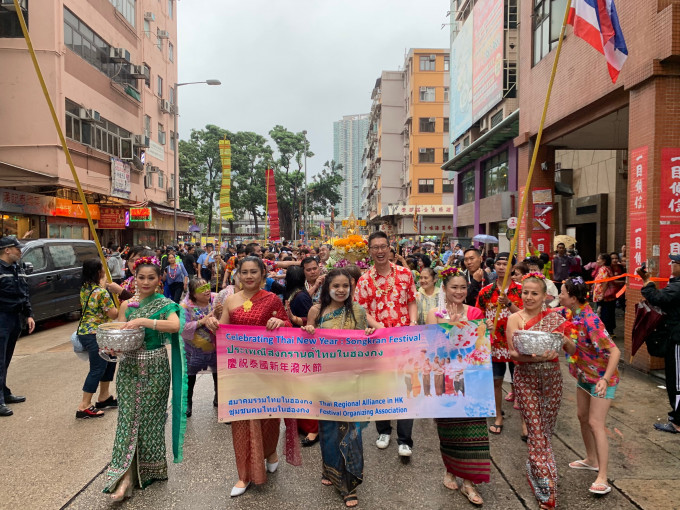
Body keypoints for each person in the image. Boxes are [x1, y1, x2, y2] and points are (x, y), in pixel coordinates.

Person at [103, 256, 186, 502]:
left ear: (160, 280)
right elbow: (119, 331)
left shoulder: (165, 303)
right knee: (127, 421)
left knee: (150, 420)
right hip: (128, 367)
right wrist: (113, 346)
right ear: (134, 278)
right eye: (141, 277)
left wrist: (143, 321)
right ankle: (124, 477)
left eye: (151, 277)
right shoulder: (127, 305)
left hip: (156, 366)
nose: (146, 282)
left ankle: (149, 469)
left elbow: (174, 326)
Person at [219, 256, 301, 497]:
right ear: (238, 275)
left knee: (269, 418)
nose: (249, 276)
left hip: (267, 371)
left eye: (254, 272)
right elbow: (223, 331)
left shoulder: (272, 299)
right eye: (244, 272)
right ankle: (244, 474)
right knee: (242, 421)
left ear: (263, 274)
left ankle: (270, 452)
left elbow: (287, 326)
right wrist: (211, 325)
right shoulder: (230, 300)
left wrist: (280, 322)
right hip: (240, 372)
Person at [302, 269, 380, 508]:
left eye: (345, 285)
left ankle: (349, 484)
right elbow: (307, 345)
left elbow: (378, 333)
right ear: (327, 288)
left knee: (351, 430)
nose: (341, 290)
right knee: (329, 429)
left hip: (351, 379)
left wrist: (369, 332)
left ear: (351, 287)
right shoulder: (316, 311)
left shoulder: (358, 311)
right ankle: (330, 470)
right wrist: (308, 332)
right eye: (335, 285)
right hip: (326, 379)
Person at [506, 272, 576, 509]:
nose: (528, 297)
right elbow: (512, 354)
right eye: (525, 292)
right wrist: (532, 359)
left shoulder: (556, 318)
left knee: (545, 430)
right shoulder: (514, 318)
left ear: (545, 296)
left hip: (552, 378)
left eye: (534, 293)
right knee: (535, 430)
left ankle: (537, 469)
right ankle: (546, 486)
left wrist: (563, 340)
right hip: (526, 378)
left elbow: (572, 349)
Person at [426, 266, 490, 506]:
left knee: (474, 431)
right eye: (454, 287)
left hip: (473, 379)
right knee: (449, 429)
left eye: (463, 287)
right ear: (444, 288)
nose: (459, 291)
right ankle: (450, 469)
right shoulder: (435, 313)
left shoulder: (475, 312)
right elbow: (433, 350)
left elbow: (480, 347)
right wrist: (451, 329)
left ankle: (469, 482)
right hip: (446, 379)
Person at [355, 231, 417, 458]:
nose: (380, 251)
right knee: (381, 387)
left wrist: (413, 322)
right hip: (378, 342)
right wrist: (379, 329)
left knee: (405, 386)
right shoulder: (364, 280)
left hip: (404, 341)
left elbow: (411, 301)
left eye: (383, 246)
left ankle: (405, 439)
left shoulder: (405, 274)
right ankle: (383, 431)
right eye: (375, 247)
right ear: (369, 251)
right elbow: (361, 310)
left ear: (390, 248)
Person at [558, 277, 620, 496]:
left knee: (595, 422)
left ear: (573, 298)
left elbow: (615, 351)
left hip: (603, 378)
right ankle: (591, 459)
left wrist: (604, 379)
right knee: (582, 416)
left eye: (562, 292)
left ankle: (602, 476)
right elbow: (575, 349)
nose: (559, 295)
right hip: (584, 374)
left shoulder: (591, 320)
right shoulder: (570, 314)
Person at [475, 253, 522, 434]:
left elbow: (526, 316)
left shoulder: (520, 290)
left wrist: (509, 304)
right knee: (496, 382)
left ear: (512, 268)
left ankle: (525, 423)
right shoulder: (485, 292)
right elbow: (478, 317)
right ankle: (498, 416)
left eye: (506, 264)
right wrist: (484, 324)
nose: (502, 267)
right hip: (494, 345)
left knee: (519, 384)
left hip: (515, 345)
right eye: (499, 264)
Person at [638, 255, 680, 434]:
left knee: (677, 382)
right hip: (675, 337)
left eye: (674, 262)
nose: (671, 264)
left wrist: (647, 282)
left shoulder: (678, 286)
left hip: (678, 339)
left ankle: (677, 422)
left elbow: (658, 297)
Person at [76, 259, 119, 419]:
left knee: (109, 362)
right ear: (98, 272)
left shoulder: (85, 288)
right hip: (95, 334)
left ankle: (104, 397)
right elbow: (113, 314)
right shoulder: (101, 293)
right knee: (98, 368)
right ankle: (84, 406)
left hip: (91, 332)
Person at [283, 265, 318, 446]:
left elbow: (309, 320)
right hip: (297, 348)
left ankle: (312, 427)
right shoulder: (299, 295)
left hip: (301, 347)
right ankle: (303, 424)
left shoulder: (296, 295)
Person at [0, 237, 35, 417]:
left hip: (15, 318)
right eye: (17, 249)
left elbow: (25, 292)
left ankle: (4, 392)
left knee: (5, 359)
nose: (20, 252)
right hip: (2, 317)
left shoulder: (17, 268)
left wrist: (29, 314)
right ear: (7, 250)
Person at [181, 278, 220, 418]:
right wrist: (202, 321)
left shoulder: (217, 300)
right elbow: (183, 329)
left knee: (218, 374)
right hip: (193, 349)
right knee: (190, 376)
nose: (207, 291)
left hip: (215, 347)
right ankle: (188, 402)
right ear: (193, 294)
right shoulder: (185, 307)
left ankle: (218, 398)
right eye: (201, 289)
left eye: (207, 286)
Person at [592, 253, 616, 336]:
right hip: (607, 296)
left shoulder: (603, 269)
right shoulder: (607, 268)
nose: (597, 261)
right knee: (608, 313)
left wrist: (602, 294)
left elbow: (605, 282)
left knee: (603, 313)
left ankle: (605, 332)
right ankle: (609, 331)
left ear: (604, 261)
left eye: (599, 259)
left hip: (604, 296)